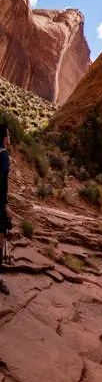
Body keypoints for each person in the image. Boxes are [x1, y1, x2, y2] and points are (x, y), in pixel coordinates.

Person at [0, 124, 10, 295]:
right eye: (8, 135)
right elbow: (3, 183)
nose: (10, 138)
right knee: (0, 240)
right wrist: (6, 205)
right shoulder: (3, 155)